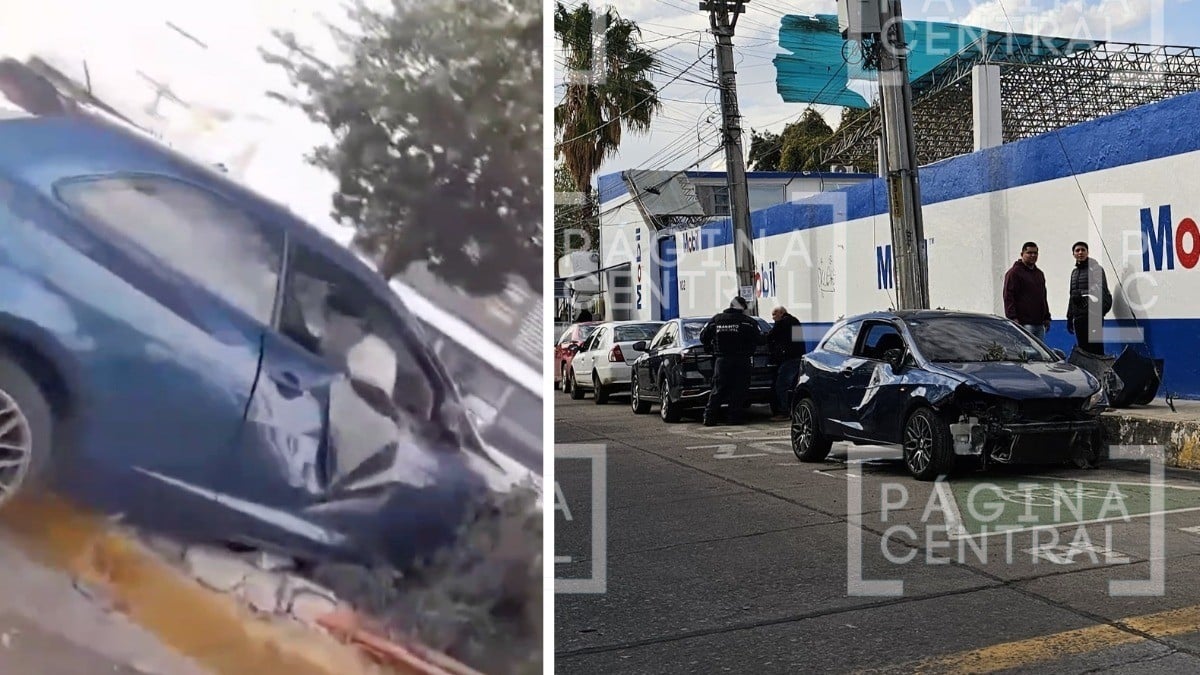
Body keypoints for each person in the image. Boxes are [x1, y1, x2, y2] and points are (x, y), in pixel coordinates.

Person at [699, 296, 763, 426]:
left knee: (718, 389)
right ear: (743, 307)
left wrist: (710, 348)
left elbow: (703, 337)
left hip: (722, 360)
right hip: (742, 360)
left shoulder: (716, 320)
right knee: (739, 390)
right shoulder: (748, 322)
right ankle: (734, 418)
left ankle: (709, 418)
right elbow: (760, 340)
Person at [1066, 241, 1112, 355]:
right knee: (1083, 350)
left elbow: (1100, 288)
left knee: (1096, 350)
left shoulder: (1096, 269)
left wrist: (1081, 293)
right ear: (1073, 254)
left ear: (1087, 252)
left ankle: (1098, 372)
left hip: (1093, 316)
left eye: (1083, 250)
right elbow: (1072, 295)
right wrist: (1069, 316)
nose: (1080, 252)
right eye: (1077, 250)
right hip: (1078, 317)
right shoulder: (1074, 273)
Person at [1002, 241, 1051, 340]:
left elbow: (1043, 296)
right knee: (1025, 352)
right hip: (1023, 324)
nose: (1033, 255)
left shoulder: (1039, 274)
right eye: (1029, 253)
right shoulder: (1014, 273)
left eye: (1035, 253)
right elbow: (1008, 296)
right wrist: (1012, 318)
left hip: (1039, 323)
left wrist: (1047, 317)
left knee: (1038, 353)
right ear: (1022, 254)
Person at [766, 306, 805, 421]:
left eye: (774, 314)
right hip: (798, 357)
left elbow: (770, 336)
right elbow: (798, 340)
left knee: (781, 386)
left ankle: (784, 412)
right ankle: (794, 411)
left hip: (789, 359)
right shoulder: (796, 321)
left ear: (782, 313)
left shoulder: (782, 323)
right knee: (793, 386)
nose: (773, 318)